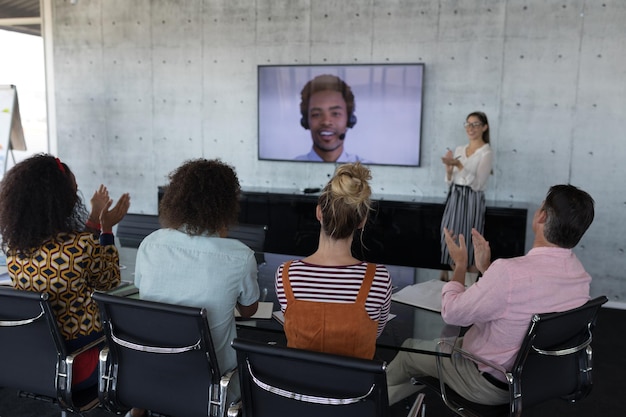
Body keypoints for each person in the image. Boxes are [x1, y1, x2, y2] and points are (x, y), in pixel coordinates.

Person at [386, 184, 595, 406]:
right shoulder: (581, 277)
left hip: (485, 381)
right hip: (529, 381)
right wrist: (487, 270)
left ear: (542, 216)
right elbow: (526, 298)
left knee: (409, 353)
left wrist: (459, 266)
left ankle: (367, 404)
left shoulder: (509, 272)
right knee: (433, 353)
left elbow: (452, 312)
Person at [133, 158, 259, 416]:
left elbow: (143, 292)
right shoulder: (239, 255)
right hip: (212, 385)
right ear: (226, 205)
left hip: (150, 375)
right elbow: (249, 312)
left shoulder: (150, 243)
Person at [0, 153, 130, 390]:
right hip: (82, 360)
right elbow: (110, 280)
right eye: (72, 187)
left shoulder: (14, 248)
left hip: (35, 360)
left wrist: (93, 220)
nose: (77, 188)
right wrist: (107, 229)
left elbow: (70, 255)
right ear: (59, 198)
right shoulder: (80, 246)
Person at [275, 162, 392, 359]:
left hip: (297, 386)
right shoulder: (379, 278)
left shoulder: (286, 274)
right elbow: (374, 334)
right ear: (362, 220)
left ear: (319, 212)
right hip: (356, 389)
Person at [440, 111, 493, 278]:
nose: (470, 128)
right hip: (455, 196)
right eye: (468, 124)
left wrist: (460, 165)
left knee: (470, 241)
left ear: (484, 127)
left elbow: (477, 184)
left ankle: (469, 286)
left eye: (475, 124)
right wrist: (449, 170)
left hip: (472, 199)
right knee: (449, 236)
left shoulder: (486, 152)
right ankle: (451, 283)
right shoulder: (460, 149)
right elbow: (450, 180)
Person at [295, 74, 366, 163]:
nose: (326, 122)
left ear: (349, 120)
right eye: (316, 114)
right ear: (305, 121)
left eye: (335, 114)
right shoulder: (288, 169)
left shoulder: (369, 171)